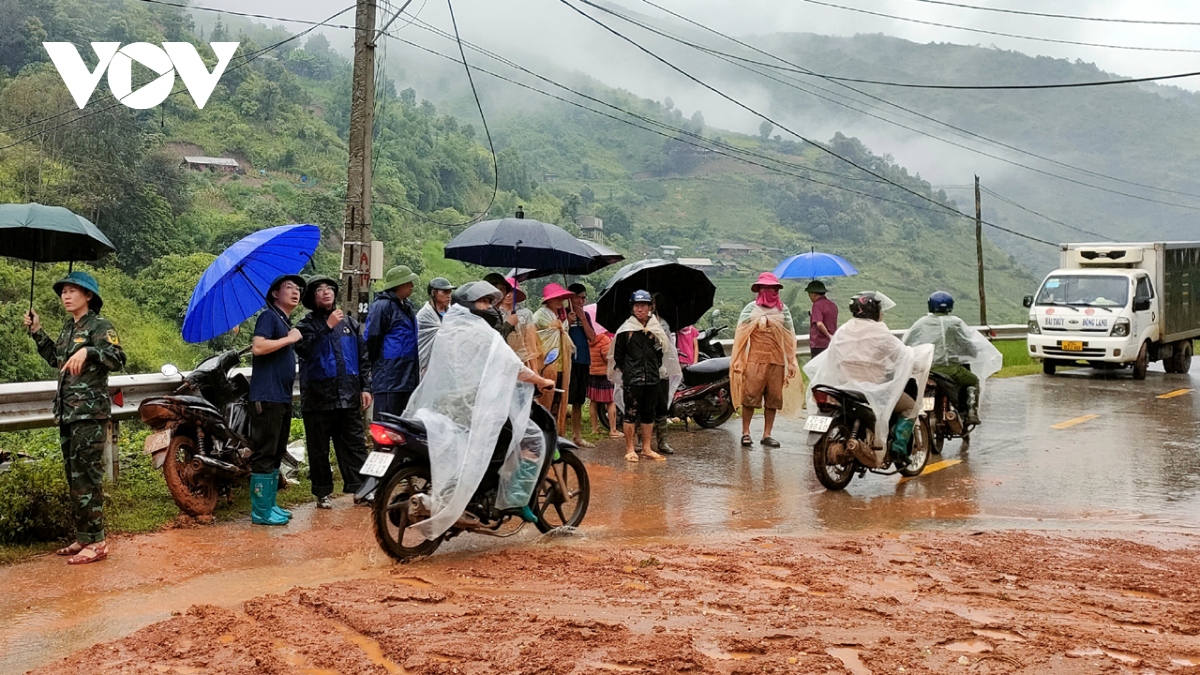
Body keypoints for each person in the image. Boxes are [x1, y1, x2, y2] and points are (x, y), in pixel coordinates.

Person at [404, 281, 556, 537]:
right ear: (470, 306)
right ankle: (516, 500)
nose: (488, 306)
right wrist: (541, 381)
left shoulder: (448, 330)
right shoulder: (484, 334)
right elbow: (513, 367)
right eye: (483, 302)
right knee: (531, 439)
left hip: (447, 404)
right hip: (478, 405)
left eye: (489, 302)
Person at [24, 271, 125, 564]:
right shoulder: (70, 328)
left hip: (89, 414)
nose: (65, 296)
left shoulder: (99, 326)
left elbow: (118, 358)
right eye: (63, 292)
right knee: (75, 477)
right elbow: (58, 358)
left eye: (72, 291)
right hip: (69, 413)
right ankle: (85, 537)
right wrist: (37, 331)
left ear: (88, 296)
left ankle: (99, 542)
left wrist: (90, 352)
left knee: (88, 477)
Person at [805, 292, 931, 465]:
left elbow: (832, 357)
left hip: (844, 387)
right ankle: (898, 449)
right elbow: (903, 356)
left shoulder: (843, 330)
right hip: (874, 388)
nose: (882, 312)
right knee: (910, 408)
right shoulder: (881, 332)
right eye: (880, 309)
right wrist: (917, 364)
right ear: (873, 310)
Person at [295, 275, 372, 509]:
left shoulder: (349, 323)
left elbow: (363, 357)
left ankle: (362, 489)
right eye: (319, 289)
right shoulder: (305, 326)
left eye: (329, 288)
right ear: (312, 296)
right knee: (319, 448)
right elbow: (306, 350)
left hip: (347, 396)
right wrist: (326, 328)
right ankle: (322, 492)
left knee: (355, 444)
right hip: (318, 398)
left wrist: (366, 387)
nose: (326, 292)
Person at [248, 274, 305, 526]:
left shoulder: (283, 319)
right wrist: (289, 339)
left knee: (276, 452)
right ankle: (260, 511)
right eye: (289, 287)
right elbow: (258, 347)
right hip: (266, 397)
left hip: (281, 397)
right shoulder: (268, 316)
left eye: (298, 289)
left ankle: (270, 505)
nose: (295, 292)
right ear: (274, 294)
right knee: (265, 452)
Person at [730, 272, 803, 448]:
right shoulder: (750, 310)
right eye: (766, 288)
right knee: (749, 397)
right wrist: (738, 359)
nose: (770, 291)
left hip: (777, 360)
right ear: (760, 289)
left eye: (773, 288)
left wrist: (792, 361)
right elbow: (740, 336)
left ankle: (767, 434)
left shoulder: (783, 310)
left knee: (773, 398)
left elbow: (789, 337)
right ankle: (746, 432)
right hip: (755, 359)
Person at [903, 291, 998, 426]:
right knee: (973, 381)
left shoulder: (920, 323)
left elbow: (907, 342)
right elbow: (966, 342)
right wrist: (973, 352)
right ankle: (971, 413)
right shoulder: (955, 323)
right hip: (951, 369)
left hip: (926, 369)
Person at [611, 290, 672, 462]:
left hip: (652, 378)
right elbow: (618, 355)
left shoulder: (655, 328)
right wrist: (629, 371)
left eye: (643, 305)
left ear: (650, 307)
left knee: (648, 413)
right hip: (633, 379)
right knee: (630, 413)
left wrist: (653, 368)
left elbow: (662, 352)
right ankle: (630, 448)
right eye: (637, 306)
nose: (640, 309)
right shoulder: (626, 330)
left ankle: (646, 448)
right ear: (632, 308)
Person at [366, 265, 420, 420]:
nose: (412, 286)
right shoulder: (382, 306)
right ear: (400, 285)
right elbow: (372, 338)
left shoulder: (407, 306)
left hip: (408, 375)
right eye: (409, 282)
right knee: (387, 424)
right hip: (389, 376)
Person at [533, 283, 576, 430]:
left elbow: (562, 333)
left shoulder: (561, 316)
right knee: (545, 400)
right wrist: (564, 323)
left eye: (562, 298)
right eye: (556, 298)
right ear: (548, 300)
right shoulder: (540, 315)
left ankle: (556, 434)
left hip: (561, 364)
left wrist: (566, 322)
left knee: (557, 401)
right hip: (547, 364)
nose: (560, 301)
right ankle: (543, 433)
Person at [566, 283, 597, 449]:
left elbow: (592, 337)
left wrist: (583, 318)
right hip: (567, 361)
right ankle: (560, 435)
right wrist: (568, 322)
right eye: (578, 297)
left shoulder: (585, 315)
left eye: (584, 297)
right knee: (563, 400)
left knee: (578, 400)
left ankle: (577, 436)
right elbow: (558, 334)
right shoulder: (562, 313)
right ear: (570, 297)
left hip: (583, 361)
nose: (581, 301)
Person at [490, 275, 541, 373]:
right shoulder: (493, 313)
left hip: (522, 360)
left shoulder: (525, 313)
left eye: (512, 291)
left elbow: (530, 342)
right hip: (499, 360)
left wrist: (534, 369)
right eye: (505, 292)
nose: (508, 295)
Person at [649, 293, 678, 455]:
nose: (650, 306)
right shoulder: (636, 324)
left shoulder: (663, 324)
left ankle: (662, 441)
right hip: (644, 371)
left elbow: (669, 347)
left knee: (661, 406)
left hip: (662, 371)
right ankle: (640, 440)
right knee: (643, 407)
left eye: (653, 302)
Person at [588, 318, 622, 440]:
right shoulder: (604, 340)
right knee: (610, 401)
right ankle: (613, 429)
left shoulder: (590, 340)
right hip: (604, 375)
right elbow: (609, 358)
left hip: (592, 374)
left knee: (593, 401)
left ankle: (595, 428)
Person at [416, 277, 455, 376]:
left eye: (450, 292)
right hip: (427, 365)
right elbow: (421, 343)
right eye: (445, 292)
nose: (448, 296)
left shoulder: (452, 314)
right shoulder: (424, 316)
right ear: (433, 293)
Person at [806, 280, 838, 358]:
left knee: (817, 369)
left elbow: (819, 324)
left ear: (814, 294)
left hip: (818, 344)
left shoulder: (817, 305)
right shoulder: (832, 305)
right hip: (831, 343)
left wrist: (828, 336)